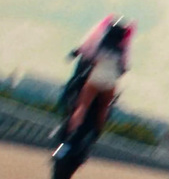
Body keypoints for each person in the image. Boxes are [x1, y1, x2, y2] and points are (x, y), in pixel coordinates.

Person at [58, 14, 135, 145]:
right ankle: (97, 132)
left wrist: (75, 54)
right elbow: (124, 67)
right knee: (104, 108)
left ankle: (71, 129)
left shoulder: (101, 44)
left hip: (95, 79)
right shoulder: (122, 50)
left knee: (82, 106)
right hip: (110, 83)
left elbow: (87, 53)